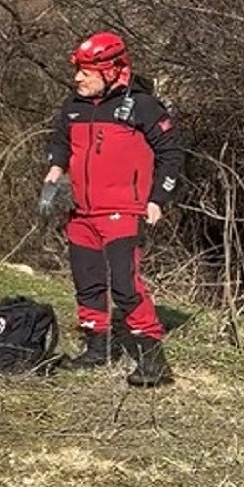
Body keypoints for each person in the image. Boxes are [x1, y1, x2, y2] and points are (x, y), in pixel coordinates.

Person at [43, 31, 185, 385]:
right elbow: (60, 142)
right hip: (80, 212)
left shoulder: (143, 106)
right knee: (87, 282)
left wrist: (157, 199)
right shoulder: (73, 106)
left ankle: (153, 362)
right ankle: (96, 348)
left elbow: (171, 154)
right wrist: (54, 172)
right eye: (78, 71)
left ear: (111, 71)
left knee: (125, 285)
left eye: (86, 72)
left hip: (123, 211)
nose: (78, 78)